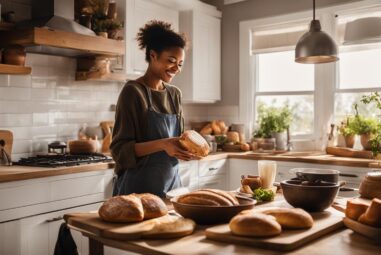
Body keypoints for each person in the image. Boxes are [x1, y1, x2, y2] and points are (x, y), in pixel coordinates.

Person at [110, 20, 199, 198]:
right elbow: (120, 151)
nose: (176, 68)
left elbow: (178, 140)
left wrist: (188, 149)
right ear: (153, 55)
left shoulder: (175, 94)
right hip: (137, 190)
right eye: (171, 61)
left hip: (172, 187)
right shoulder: (133, 92)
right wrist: (163, 144)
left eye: (180, 64)